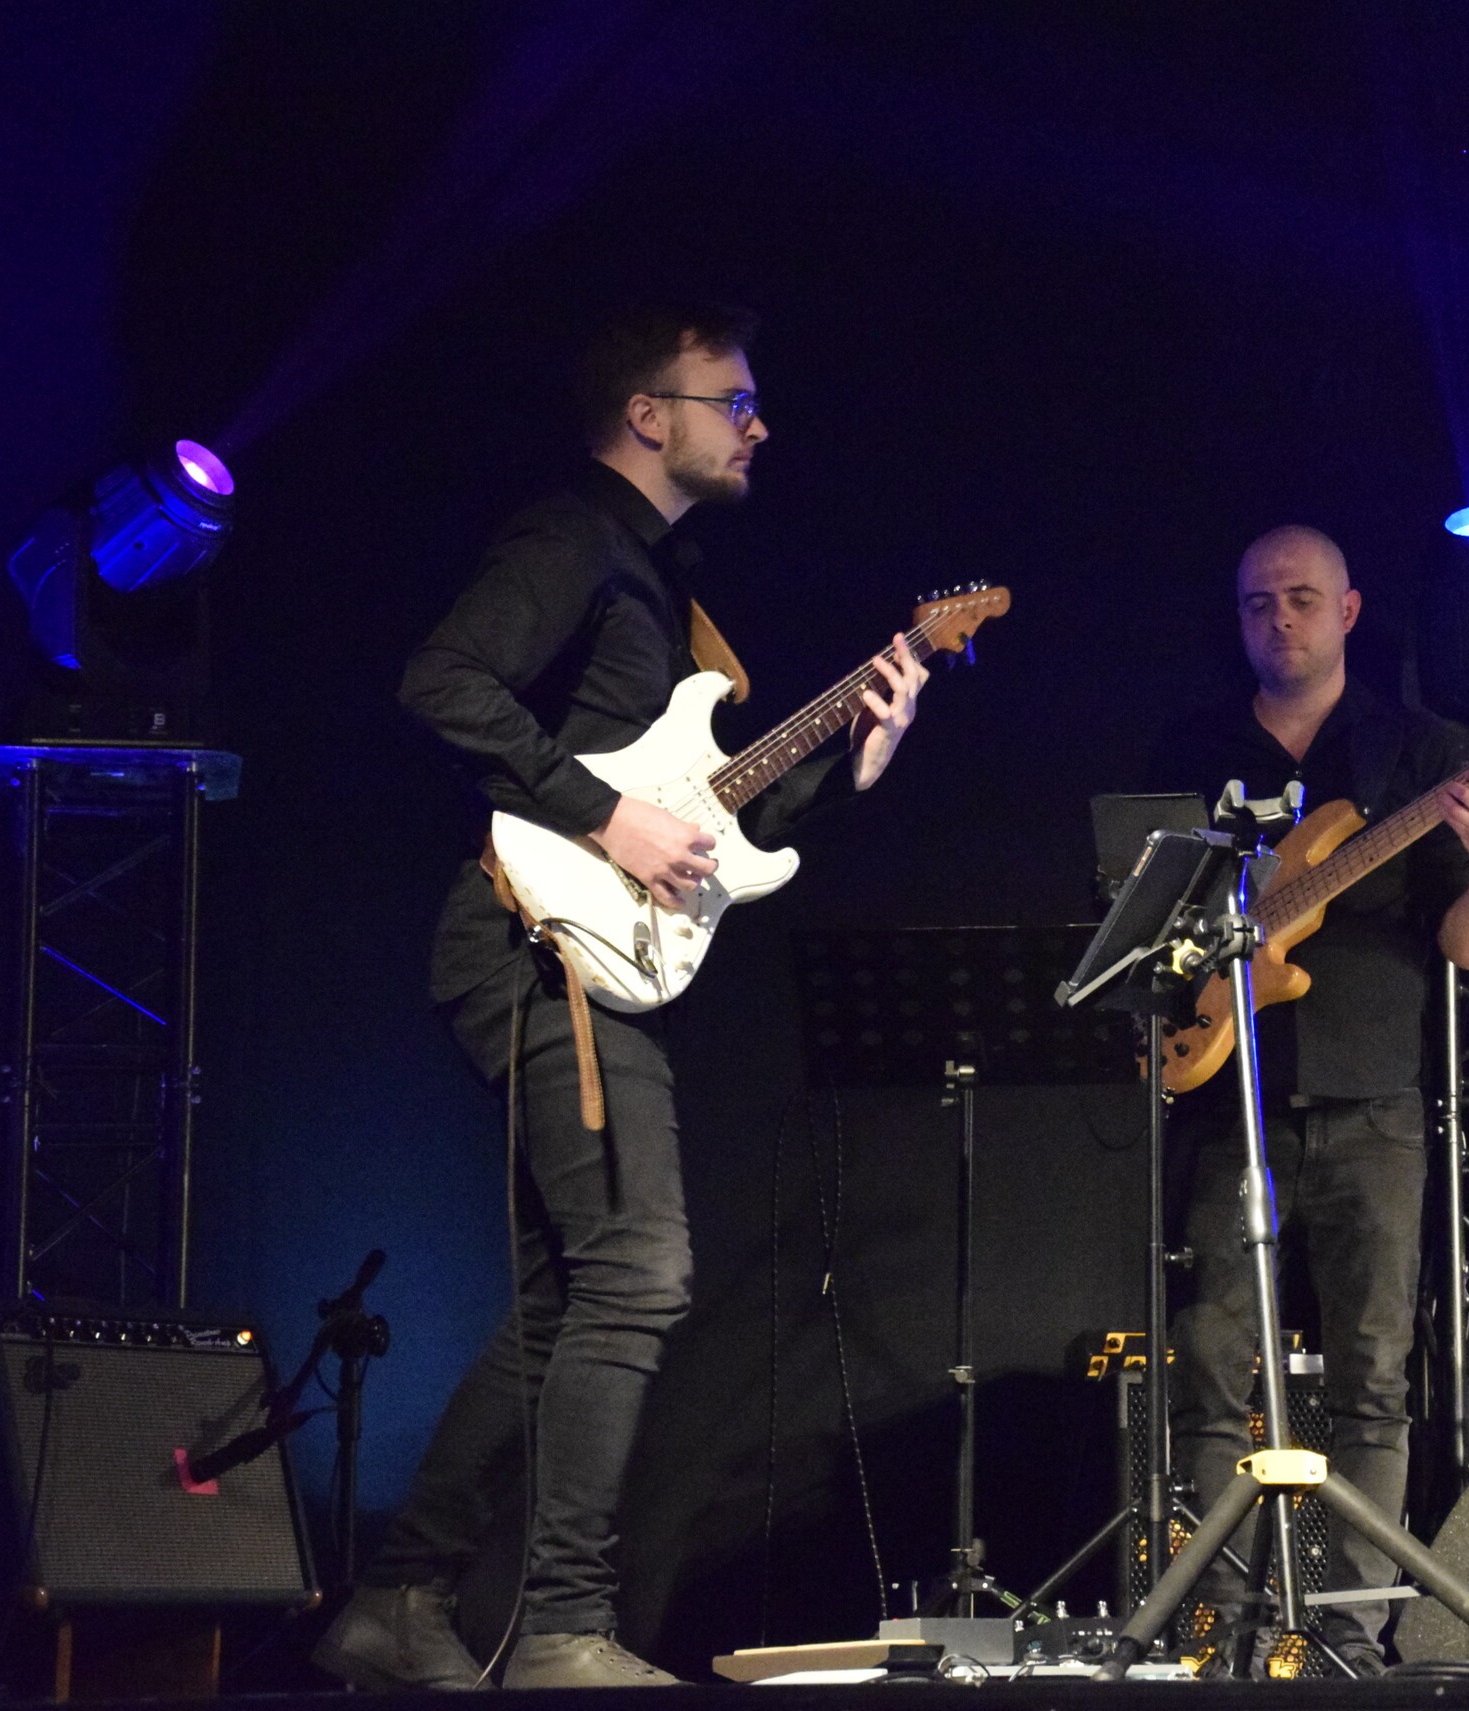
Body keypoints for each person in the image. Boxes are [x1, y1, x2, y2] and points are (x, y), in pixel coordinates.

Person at [313, 304, 926, 1691]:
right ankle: (562, 1627)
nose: (757, 425)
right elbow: (440, 681)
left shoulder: (660, 583)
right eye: (733, 401)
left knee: (569, 1300)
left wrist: (853, 764)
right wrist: (601, 817)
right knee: (642, 1271)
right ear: (650, 414)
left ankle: (398, 1597)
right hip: (531, 939)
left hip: (582, 954)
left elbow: (702, 816)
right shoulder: (574, 536)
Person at [1144, 524, 1469, 1676]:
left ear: (1349, 610)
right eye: (1258, 603)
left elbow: (1465, 946)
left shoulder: (1417, 751)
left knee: (1372, 1384)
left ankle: (1348, 1636)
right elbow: (1140, 921)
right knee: (1210, 1376)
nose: (1280, 619)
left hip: (1375, 1105)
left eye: (1302, 598)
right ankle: (1214, 1632)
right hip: (1228, 1100)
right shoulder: (1191, 750)